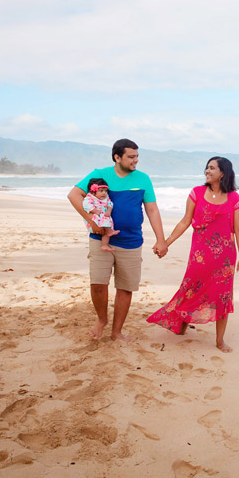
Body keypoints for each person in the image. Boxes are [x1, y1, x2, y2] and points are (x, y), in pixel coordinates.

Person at [68, 139, 168, 342]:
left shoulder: (143, 179)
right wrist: (91, 221)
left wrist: (161, 240)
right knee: (98, 284)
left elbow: (152, 209)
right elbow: (74, 195)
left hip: (131, 241)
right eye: (131, 157)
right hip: (101, 239)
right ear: (117, 157)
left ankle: (117, 331)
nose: (135, 160)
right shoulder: (100, 174)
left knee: (125, 287)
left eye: (137, 156)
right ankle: (102, 319)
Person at [146, 156, 239, 352]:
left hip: (224, 258)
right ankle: (181, 323)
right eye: (207, 167)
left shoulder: (234, 198)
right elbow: (185, 221)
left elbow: (238, 229)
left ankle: (220, 340)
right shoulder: (197, 193)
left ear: (222, 173)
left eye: (212, 168)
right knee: (191, 289)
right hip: (199, 256)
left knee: (222, 297)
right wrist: (165, 243)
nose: (207, 171)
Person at [82, 178, 120, 251]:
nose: (104, 193)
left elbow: (110, 203)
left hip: (104, 217)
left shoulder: (106, 197)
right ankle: (109, 232)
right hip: (96, 217)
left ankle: (104, 245)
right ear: (93, 192)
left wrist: (109, 210)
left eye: (105, 191)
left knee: (106, 233)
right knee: (107, 228)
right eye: (101, 191)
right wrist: (94, 211)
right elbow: (86, 205)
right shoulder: (90, 197)